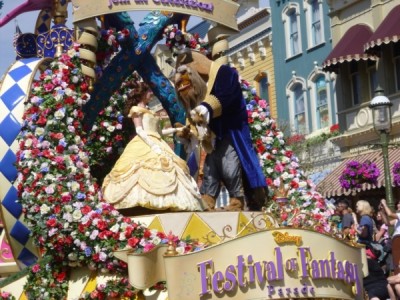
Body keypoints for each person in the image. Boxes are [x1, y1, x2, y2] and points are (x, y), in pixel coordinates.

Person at [173, 49, 267, 211]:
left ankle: (237, 200)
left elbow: (225, 97)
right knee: (211, 169)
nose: (183, 89)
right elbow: (194, 123)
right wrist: (187, 132)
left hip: (231, 133)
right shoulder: (197, 96)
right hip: (213, 141)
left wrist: (205, 109)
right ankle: (208, 200)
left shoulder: (224, 75)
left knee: (230, 167)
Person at [102, 74, 207, 214]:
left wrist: (177, 129)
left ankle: (167, 204)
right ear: (142, 93)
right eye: (149, 92)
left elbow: (161, 132)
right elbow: (139, 130)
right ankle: (139, 205)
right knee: (139, 171)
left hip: (157, 139)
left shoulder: (151, 111)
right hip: (145, 141)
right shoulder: (136, 110)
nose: (151, 95)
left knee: (171, 170)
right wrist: (153, 146)